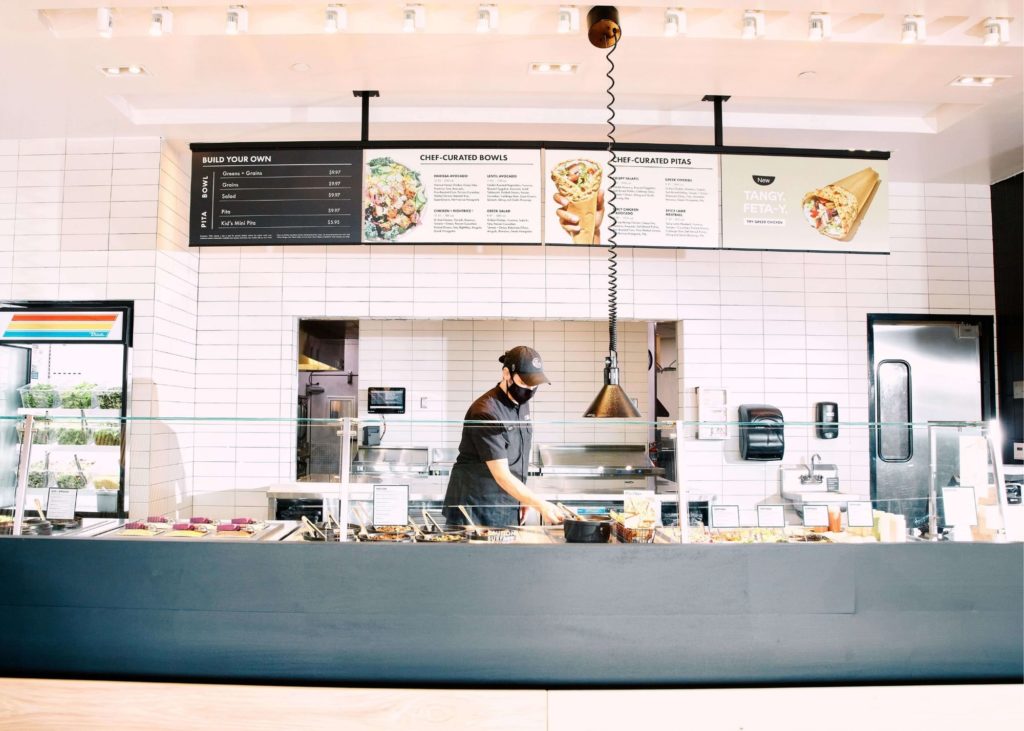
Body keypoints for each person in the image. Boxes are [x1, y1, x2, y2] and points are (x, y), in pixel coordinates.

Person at [442, 346, 566, 528]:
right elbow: (501, 475)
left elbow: (518, 455)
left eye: (534, 384)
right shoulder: (485, 412)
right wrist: (538, 503)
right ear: (507, 374)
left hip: (506, 503)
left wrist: (522, 498)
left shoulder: (520, 402)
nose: (530, 389)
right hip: (476, 508)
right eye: (525, 382)